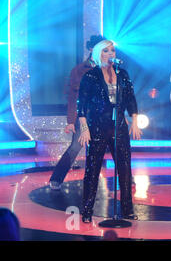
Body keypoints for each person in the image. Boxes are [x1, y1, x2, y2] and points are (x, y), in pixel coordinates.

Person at [77, 39, 142, 223]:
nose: (110, 53)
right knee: (92, 169)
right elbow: (81, 105)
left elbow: (131, 99)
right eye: (106, 51)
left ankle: (127, 210)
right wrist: (84, 129)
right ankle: (87, 210)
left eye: (112, 50)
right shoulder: (90, 76)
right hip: (97, 126)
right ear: (99, 54)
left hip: (119, 126)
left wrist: (134, 121)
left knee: (125, 168)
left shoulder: (122, 74)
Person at [49, 35, 104, 190]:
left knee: (115, 146)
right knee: (75, 146)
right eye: (101, 48)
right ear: (92, 49)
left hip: (105, 115)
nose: (105, 52)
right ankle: (56, 179)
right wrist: (71, 121)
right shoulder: (80, 70)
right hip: (84, 116)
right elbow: (72, 97)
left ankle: (127, 179)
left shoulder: (110, 69)